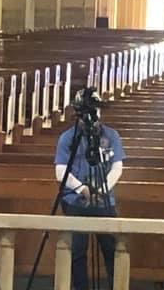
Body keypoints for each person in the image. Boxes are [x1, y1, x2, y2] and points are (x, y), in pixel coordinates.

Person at [54, 92, 126, 290]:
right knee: (77, 251)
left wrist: (103, 189)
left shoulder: (111, 135)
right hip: (75, 202)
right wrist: (81, 188)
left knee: (112, 248)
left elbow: (117, 167)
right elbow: (61, 171)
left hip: (104, 202)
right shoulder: (68, 138)